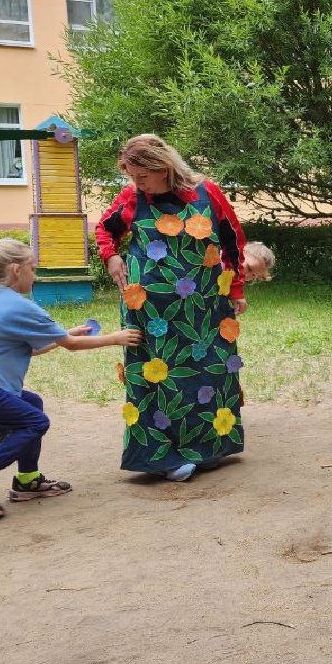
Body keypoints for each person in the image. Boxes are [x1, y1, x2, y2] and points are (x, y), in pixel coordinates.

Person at [0, 238, 139, 518]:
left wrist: (62, 337)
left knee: (32, 405)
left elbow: (29, 348)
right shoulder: (18, 305)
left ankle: (28, 481)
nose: (36, 275)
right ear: (17, 270)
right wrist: (115, 339)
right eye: (32, 268)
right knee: (34, 422)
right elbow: (72, 345)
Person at [96, 134, 248, 482]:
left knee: (207, 370)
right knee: (153, 374)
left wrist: (236, 287)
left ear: (162, 165)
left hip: (203, 307)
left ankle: (206, 447)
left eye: (142, 175)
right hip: (148, 311)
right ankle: (160, 456)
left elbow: (232, 240)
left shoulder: (207, 193)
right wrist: (112, 255)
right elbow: (105, 229)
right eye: (132, 176)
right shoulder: (132, 197)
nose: (137, 183)